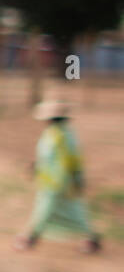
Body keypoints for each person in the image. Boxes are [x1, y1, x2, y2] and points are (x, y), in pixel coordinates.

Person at [13, 99, 102, 253]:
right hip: (52, 182)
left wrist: (77, 179)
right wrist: (36, 166)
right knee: (74, 212)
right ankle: (92, 238)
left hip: (59, 183)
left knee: (44, 210)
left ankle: (30, 237)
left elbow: (73, 160)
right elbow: (46, 157)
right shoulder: (54, 133)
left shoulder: (63, 135)